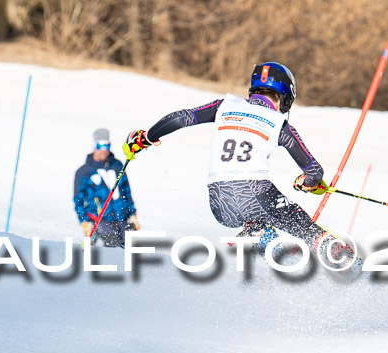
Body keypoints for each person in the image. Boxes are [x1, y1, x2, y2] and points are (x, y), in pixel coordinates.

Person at [122, 62, 348, 261]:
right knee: (300, 223)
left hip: (220, 203)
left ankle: (259, 234)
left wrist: (147, 138)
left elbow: (182, 117)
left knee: (260, 221)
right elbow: (314, 171)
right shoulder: (280, 124)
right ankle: (344, 260)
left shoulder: (225, 105)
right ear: (286, 94)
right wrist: (307, 182)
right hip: (256, 192)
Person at [74, 128, 139, 248]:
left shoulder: (118, 166)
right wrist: (84, 221)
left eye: (107, 146)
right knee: (113, 244)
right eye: (100, 146)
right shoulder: (84, 172)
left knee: (132, 247)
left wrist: (133, 213)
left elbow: (127, 192)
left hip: (121, 217)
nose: (104, 150)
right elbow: (78, 200)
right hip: (100, 219)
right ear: (94, 146)